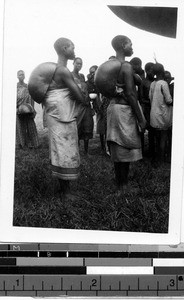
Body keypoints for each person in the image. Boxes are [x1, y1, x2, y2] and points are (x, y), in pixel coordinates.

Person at [42, 38, 87, 198]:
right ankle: (66, 192)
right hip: (62, 115)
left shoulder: (53, 70)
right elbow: (78, 95)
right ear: (63, 48)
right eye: (72, 47)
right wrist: (84, 98)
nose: (74, 51)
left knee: (59, 149)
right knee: (65, 149)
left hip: (56, 114)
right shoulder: (62, 70)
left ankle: (63, 188)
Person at [106, 35, 146, 194]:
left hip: (113, 108)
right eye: (130, 44)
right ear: (123, 45)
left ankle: (120, 184)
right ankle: (123, 186)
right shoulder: (126, 66)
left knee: (118, 148)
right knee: (125, 148)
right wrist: (140, 118)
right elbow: (130, 94)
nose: (132, 47)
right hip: (124, 110)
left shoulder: (110, 65)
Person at [149, 63, 173, 163]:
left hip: (154, 114)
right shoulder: (163, 83)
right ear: (162, 71)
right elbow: (168, 100)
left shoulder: (152, 83)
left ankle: (155, 158)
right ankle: (161, 159)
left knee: (157, 138)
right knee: (163, 137)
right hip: (163, 115)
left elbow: (150, 98)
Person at [72, 57, 94, 154]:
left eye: (80, 64)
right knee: (77, 127)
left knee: (87, 126)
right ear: (73, 63)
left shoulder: (82, 76)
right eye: (77, 63)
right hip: (77, 105)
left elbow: (86, 89)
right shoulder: (70, 76)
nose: (79, 65)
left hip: (87, 105)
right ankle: (75, 150)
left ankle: (86, 151)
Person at [16, 70, 39, 149]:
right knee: (20, 127)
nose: (21, 76)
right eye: (19, 75)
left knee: (30, 125)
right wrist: (17, 108)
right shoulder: (15, 87)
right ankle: (22, 144)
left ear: (24, 76)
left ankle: (33, 144)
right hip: (19, 109)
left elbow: (31, 98)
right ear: (17, 76)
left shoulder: (27, 87)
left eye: (22, 74)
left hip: (28, 109)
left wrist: (31, 109)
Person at [141, 62, 155, 157]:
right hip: (146, 108)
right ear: (146, 71)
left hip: (154, 109)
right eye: (151, 70)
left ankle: (151, 151)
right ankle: (141, 152)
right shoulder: (143, 82)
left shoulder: (155, 82)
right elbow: (141, 98)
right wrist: (150, 102)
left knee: (152, 132)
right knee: (141, 131)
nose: (153, 73)